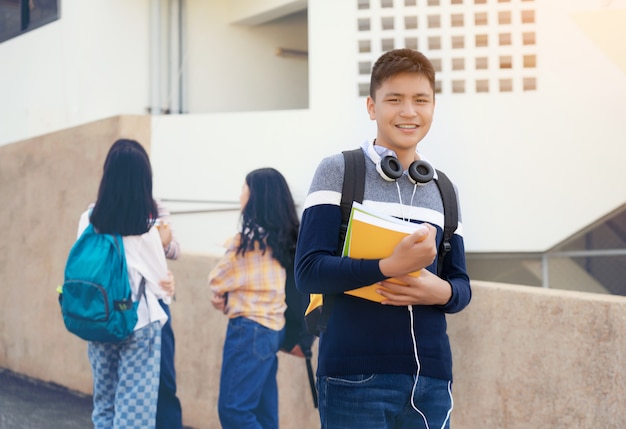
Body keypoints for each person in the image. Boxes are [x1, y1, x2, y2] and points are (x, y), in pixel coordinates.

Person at [294, 48, 472, 429]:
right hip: (353, 377)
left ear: (433, 107)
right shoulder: (339, 171)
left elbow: (461, 285)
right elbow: (308, 271)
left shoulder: (444, 190)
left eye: (420, 100)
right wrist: (390, 267)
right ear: (372, 107)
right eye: (395, 100)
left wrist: (438, 292)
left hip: (432, 381)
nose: (409, 111)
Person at [79, 138, 175, 428]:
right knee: (134, 412)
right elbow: (161, 287)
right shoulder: (144, 229)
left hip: (99, 318)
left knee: (104, 406)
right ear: (144, 180)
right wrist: (169, 285)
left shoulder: (89, 218)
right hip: (138, 323)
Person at [208, 167, 299, 429]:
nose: (240, 196)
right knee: (262, 410)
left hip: (248, 331)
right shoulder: (281, 240)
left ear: (255, 197)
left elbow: (216, 279)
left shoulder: (246, 243)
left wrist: (226, 294)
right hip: (273, 331)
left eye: (243, 189)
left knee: (234, 410)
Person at [155, 201, 184, 429]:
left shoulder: (156, 207)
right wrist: (157, 239)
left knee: (164, 381)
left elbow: (175, 250)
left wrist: (163, 243)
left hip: (157, 303)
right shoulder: (97, 210)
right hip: (122, 305)